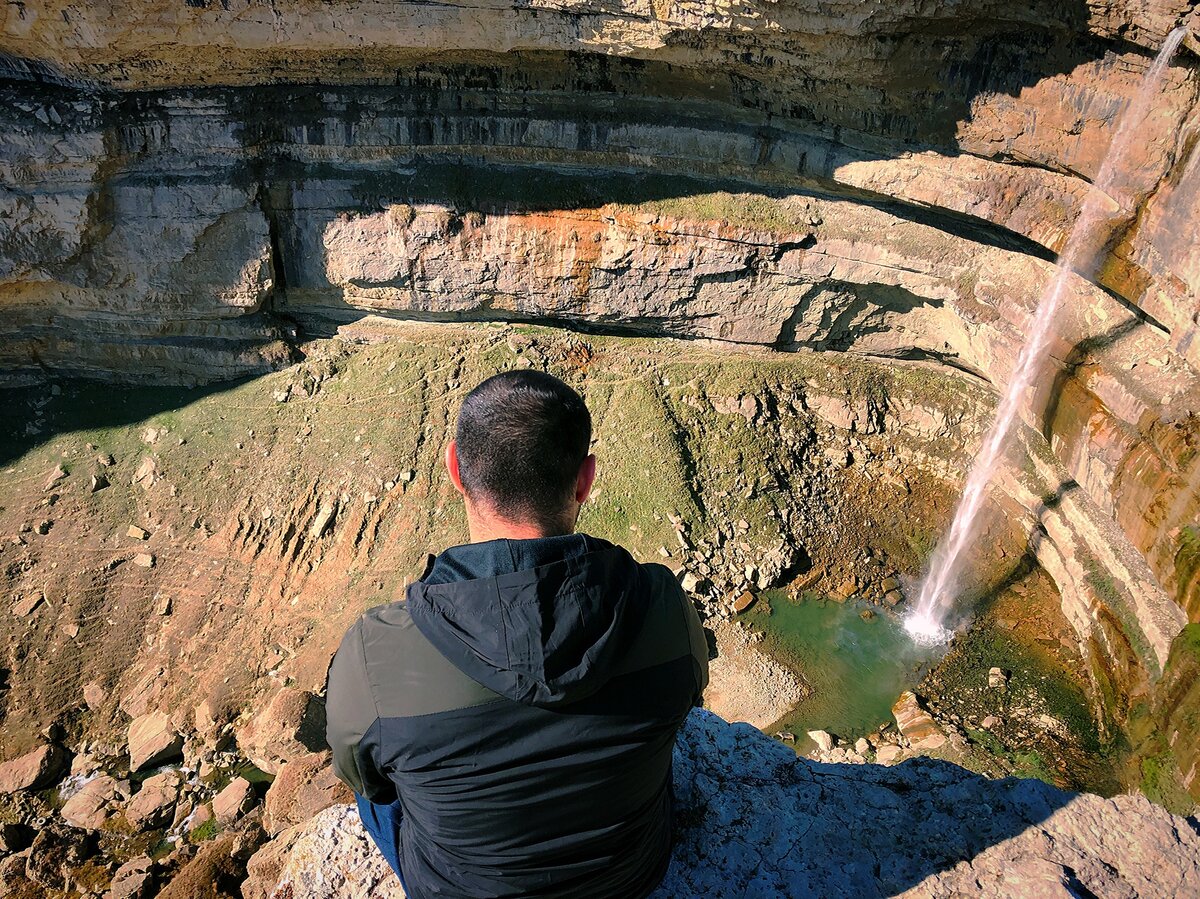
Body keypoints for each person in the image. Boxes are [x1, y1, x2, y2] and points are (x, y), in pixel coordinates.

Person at [325, 369, 709, 899]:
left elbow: (363, 776)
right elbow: (688, 701)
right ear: (585, 480)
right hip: (626, 880)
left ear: (455, 469)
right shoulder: (663, 607)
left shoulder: (376, 650)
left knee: (379, 791)